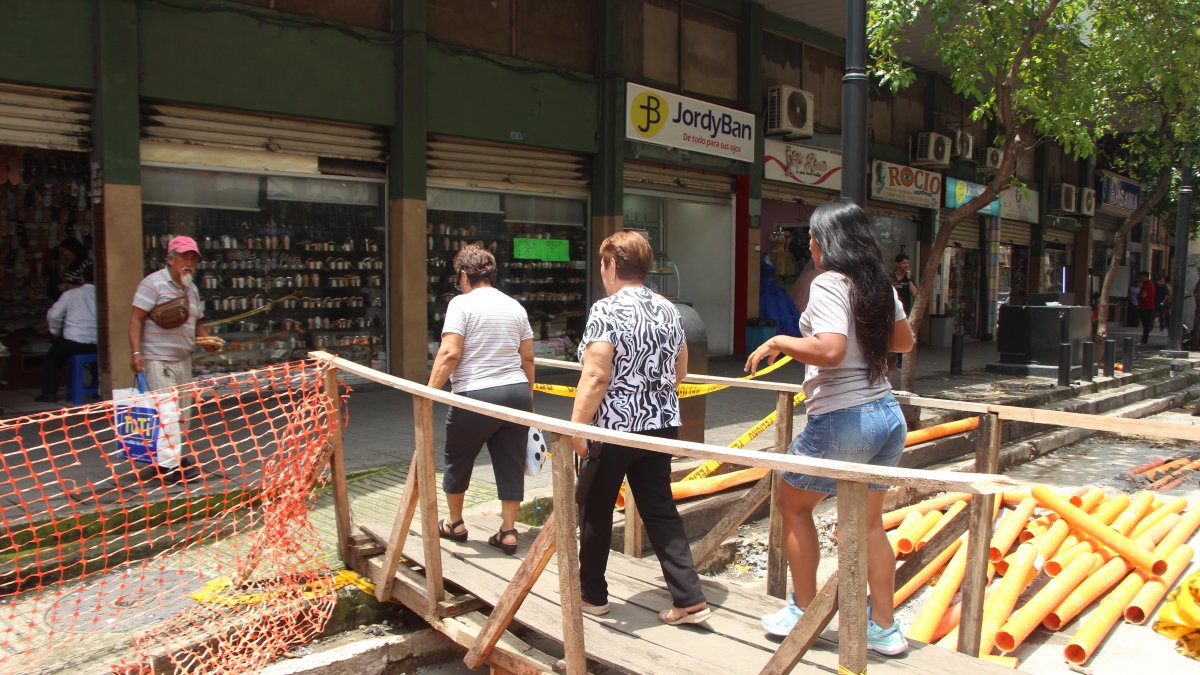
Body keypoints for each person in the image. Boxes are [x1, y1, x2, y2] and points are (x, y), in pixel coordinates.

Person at [746, 200, 915, 656]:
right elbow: (904, 341)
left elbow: (830, 349)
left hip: (844, 416)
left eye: (813, 240)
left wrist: (781, 340)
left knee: (793, 503)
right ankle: (884, 627)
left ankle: (805, 610)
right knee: (871, 524)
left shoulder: (828, 283)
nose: (811, 248)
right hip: (886, 414)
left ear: (824, 244)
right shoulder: (878, 283)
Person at [570, 230, 710, 626]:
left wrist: (576, 428)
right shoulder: (669, 310)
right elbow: (680, 370)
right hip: (661, 423)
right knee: (660, 508)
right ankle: (689, 598)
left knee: (595, 508)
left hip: (613, 428)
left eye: (603, 263)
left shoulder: (606, 310)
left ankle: (592, 596)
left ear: (612, 265)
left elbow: (596, 375)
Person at [427, 243, 534, 556]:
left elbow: (450, 352)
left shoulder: (462, 304)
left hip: (475, 394)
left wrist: (429, 392)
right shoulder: (515, 306)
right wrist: (529, 399)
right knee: (511, 461)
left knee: (458, 458)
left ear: (464, 275)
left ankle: (456, 523)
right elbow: (527, 358)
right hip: (516, 392)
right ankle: (508, 531)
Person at [129, 235, 220, 442]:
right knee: (166, 414)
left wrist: (207, 341)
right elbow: (136, 319)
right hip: (158, 359)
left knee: (182, 414)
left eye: (193, 259)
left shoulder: (192, 289)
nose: (189, 263)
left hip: (183, 359)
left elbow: (197, 322)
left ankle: (174, 459)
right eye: (183, 257)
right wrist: (136, 353)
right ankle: (166, 466)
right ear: (170, 259)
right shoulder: (153, 283)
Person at [36, 265, 97, 403]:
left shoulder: (70, 294)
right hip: (99, 344)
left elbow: (54, 315)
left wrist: (55, 331)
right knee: (96, 361)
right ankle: (97, 389)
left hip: (74, 342)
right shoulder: (104, 295)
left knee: (52, 359)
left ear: (82, 279)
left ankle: (49, 393)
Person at [1137, 270, 1156, 345]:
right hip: (1147, 307)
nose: (1140, 279)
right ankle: (1144, 340)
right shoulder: (1149, 284)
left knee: (1146, 325)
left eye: (1141, 277)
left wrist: (1138, 295)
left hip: (1146, 307)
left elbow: (1144, 295)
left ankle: (1144, 341)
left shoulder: (1147, 284)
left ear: (1145, 277)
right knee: (1146, 325)